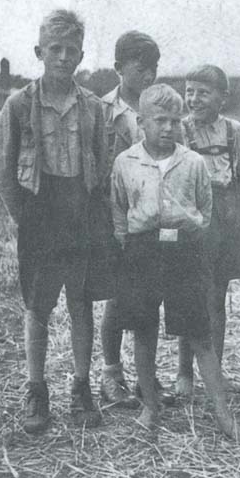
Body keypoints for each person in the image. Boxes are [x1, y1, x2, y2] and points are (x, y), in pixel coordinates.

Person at [0, 9, 109, 433]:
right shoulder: (18, 104)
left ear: (80, 56)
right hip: (39, 214)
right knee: (37, 306)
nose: (62, 56)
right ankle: (36, 391)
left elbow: (102, 162)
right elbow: (0, 169)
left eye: (70, 50)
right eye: (54, 49)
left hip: (80, 212)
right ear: (39, 52)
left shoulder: (92, 106)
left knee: (81, 303)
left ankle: (81, 387)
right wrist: (24, 216)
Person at [110, 84, 240, 437]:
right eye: (159, 121)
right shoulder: (125, 163)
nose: (167, 128)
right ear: (141, 122)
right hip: (143, 251)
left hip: (184, 251)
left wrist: (190, 232)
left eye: (173, 120)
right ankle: (150, 407)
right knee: (144, 331)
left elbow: (205, 208)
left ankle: (222, 413)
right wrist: (133, 245)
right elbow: (120, 211)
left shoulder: (193, 162)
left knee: (200, 333)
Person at [176, 65, 240, 396]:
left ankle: (215, 372)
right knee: (189, 296)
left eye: (203, 93)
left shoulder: (235, 132)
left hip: (226, 219)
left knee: (216, 297)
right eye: (189, 91)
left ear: (223, 97)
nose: (194, 99)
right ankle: (184, 374)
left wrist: (239, 219)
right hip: (192, 219)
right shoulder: (179, 130)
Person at [99, 30, 163, 409]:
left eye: (153, 69)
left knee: (148, 301)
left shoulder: (157, 108)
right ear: (119, 68)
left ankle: (146, 376)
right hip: (115, 219)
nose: (148, 77)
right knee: (117, 301)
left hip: (151, 219)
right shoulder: (101, 110)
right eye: (141, 69)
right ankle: (111, 373)